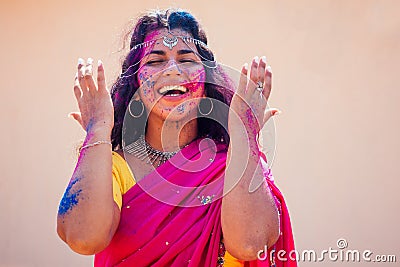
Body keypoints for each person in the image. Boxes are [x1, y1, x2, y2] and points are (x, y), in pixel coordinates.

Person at [57, 8, 296, 267]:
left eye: (186, 59)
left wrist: (245, 133)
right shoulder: (115, 168)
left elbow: (250, 243)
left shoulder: (232, 162)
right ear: (135, 81)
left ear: (206, 77)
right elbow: (82, 237)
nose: (172, 69)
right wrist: (97, 130)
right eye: (155, 61)